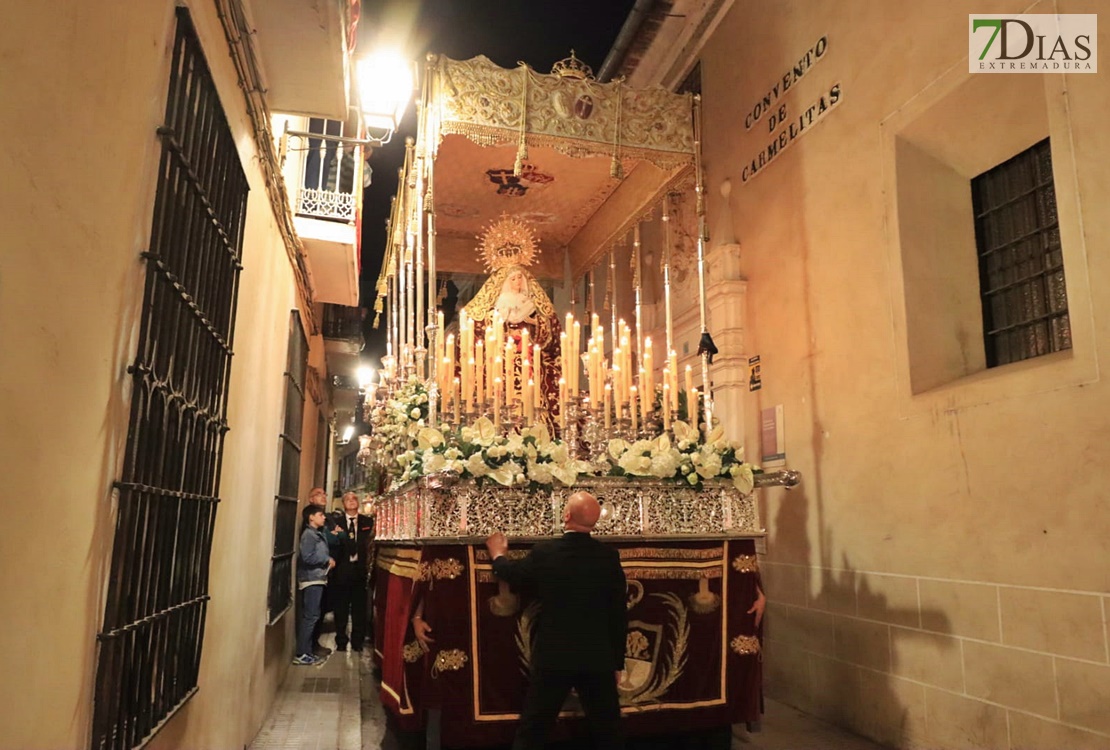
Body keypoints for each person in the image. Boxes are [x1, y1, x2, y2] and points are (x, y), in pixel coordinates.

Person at [485, 491, 626, 750]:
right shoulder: (608, 557)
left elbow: (513, 576)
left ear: (566, 515)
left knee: (534, 727)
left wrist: (498, 555)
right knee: (608, 730)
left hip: (555, 655)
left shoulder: (546, 552)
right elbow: (617, 613)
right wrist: (617, 661)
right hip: (597, 656)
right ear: (596, 521)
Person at [328, 491, 375, 652]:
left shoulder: (367, 522)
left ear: (359, 502)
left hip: (360, 570)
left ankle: (357, 641)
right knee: (340, 608)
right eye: (347, 499)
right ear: (343, 504)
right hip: (342, 570)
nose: (351, 501)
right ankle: (341, 640)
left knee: (359, 608)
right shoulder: (336, 522)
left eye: (354, 498)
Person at [294, 504, 335, 665]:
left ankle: (306, 651)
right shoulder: (309, 535)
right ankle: (301, 653)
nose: (323, 517)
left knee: (313, 615)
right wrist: (326, 560)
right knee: (310, 616)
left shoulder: (317, 534)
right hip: (311, 579)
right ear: (311, 517)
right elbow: (307, 557)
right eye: (320, 514)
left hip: (318, 578)